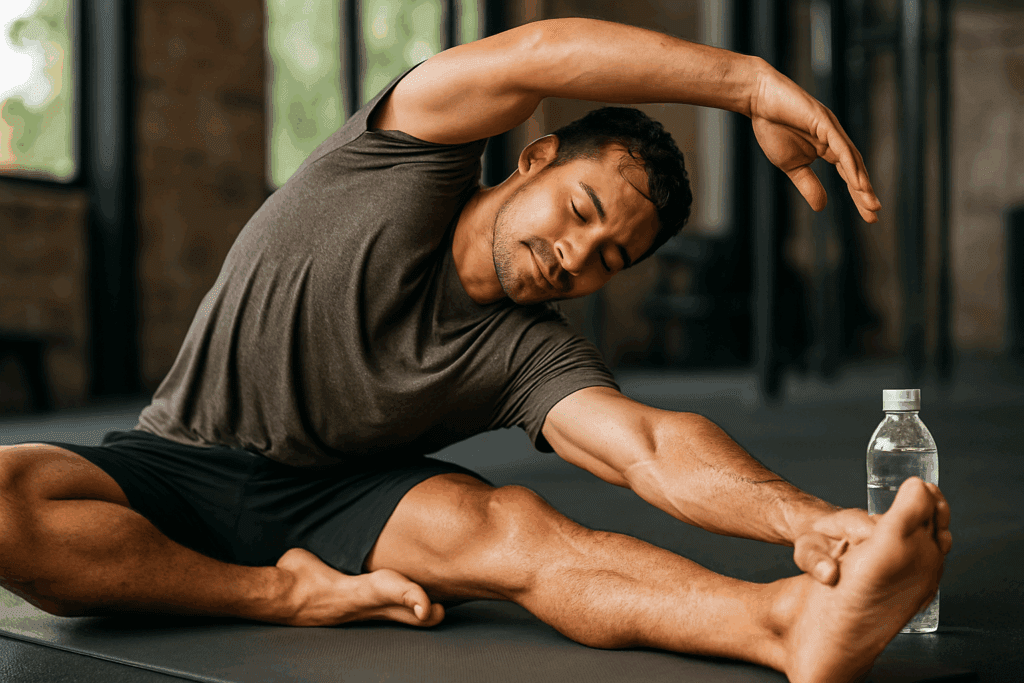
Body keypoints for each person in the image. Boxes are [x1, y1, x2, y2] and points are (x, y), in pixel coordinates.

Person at [0, 18, 949, 683]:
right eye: (580, 211)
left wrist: (804, 519)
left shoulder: (524, 352)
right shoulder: (400, 159)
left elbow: (649, 447)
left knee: (516, 532)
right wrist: (747, 83)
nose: (574, 257)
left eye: (607, 259)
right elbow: (538, 55)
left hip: (343, 504)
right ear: (532, 158)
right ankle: (277, 594)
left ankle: (786, 627)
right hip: (177, 460)